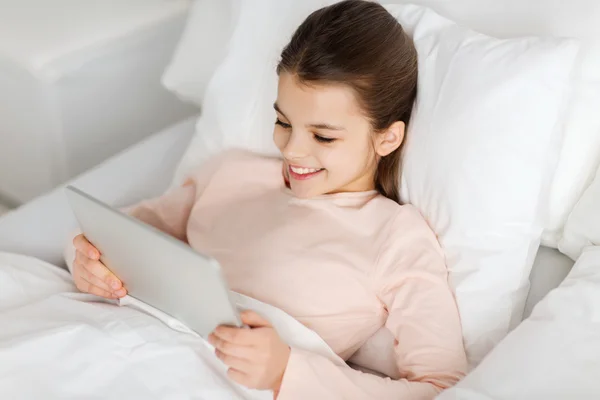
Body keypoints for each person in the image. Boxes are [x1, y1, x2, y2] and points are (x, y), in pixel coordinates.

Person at [67, 1, 467, 398]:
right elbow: (117, 232)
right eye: (283, 122)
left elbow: (440, 386)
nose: (292, 150)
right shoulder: (230, 172)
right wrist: (84, 261)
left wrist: (286, 372)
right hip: (120, 345)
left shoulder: (395, 237)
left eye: (323, 136)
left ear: (387, 138)